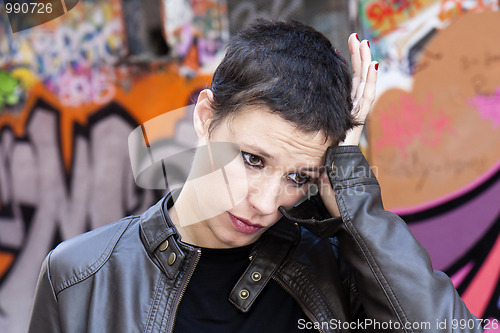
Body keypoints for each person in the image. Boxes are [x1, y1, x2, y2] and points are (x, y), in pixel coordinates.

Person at [28, 19, 481, 332]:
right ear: (205, 116)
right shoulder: (79, 277)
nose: (266, 204)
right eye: (252, 160)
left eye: (299, 177)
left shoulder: (337, 270)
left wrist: (349, 179)